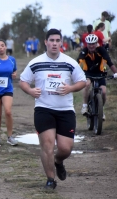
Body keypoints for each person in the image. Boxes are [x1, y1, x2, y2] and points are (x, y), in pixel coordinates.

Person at [19, 29, 86, 190]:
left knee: (65, 148)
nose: (55, 43)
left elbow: (82, 81)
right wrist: (30, 91)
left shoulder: (69, 62)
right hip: (44, 109)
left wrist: (70, 88)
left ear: (61, 42)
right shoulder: (36, 62)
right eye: (52, 40)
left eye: (57, 40)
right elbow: (23, 81)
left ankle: (58, 161)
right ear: (46, 42)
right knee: (47, 145)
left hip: (65, 110)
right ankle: (50, 179)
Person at [78, 34, 117, 120]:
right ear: (86, 44)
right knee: (87, 84)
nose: (91, 46)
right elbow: (77, 63)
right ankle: (85, 106)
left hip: (100, 73)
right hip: (88, 73)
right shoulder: (84, 51)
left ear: (96, 44)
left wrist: (115, 73)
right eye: (89, 44)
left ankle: (100, 110)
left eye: (93, 44)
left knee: (103, 92)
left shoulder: (101, 50)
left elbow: (109, 62)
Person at [0, 39, 18, 147]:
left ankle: (10, 137)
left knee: (8, 112)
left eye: (2, 45)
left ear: (5, 47)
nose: (0, 47)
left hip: (7, 89)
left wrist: (14, 75)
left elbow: (14, 71)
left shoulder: (12, 60)